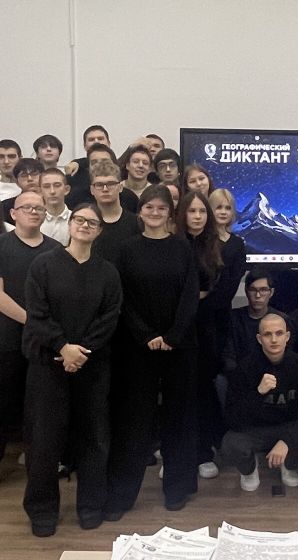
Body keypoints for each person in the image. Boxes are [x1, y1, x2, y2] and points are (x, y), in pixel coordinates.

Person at [21, 203, 121, 534]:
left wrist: (81, 352)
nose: (85, 225)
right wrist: (63, 347)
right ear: (70, 224)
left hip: (92, 367)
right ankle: (42, 511)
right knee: (44, 441)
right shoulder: (43, 264)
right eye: (80, 220)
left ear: (100, 231)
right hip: (48, 366)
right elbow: (37, 313)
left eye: (92, 223)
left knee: (94, 439)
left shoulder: (107, 272)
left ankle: (91, 506)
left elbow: (110, 317)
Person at [108, 185, 200, 515]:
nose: (155, 213)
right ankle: (122, 495)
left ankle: (178, 488)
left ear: (169, 213)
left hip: (180, 345)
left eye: (162, 208)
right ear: (141, 211)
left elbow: (190, 294)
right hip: (138, 347)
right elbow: (122, 297)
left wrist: (173, 335)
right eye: (150, 207)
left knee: (180, 418)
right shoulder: (127, 249)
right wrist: (146, 334)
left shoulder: (182, 247)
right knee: (135, 421)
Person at [0, 190, 61, 500]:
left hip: (41, 345)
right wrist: (33, 321)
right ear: (13, 213)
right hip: (1, 341)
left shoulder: (56, 250)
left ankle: (40, 467)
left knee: (39, 409)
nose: (33, 212)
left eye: (39, 208)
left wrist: (44, 330)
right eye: (27, 207)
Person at [223, 313, 298, 492]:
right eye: (268, 334)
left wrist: (287, 442)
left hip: (290, 426)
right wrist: (258, 393)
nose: (274, 340)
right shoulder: (245, 367)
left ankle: (288, 463)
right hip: (256, 430)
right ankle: (249, 469)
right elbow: (232, 418)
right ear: (259, 339)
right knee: (231, 445)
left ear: (287, 337)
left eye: (279, 333)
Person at [179, 190, 228, 478]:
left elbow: (217, 292)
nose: (197, 216)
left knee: (203, 390)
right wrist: (194, 295)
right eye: (192, 211)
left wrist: (195, 297)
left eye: (201, 211)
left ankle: (203, 451)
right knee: (179, 394)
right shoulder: (173, 244)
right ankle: (179, 453)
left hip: (206, 329)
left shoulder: (215, 246)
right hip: (177, 329)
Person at [222, 268, 285, 375]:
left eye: (263, 290)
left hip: (273, 375)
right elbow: (228, 356)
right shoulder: (233, 318)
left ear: (271, 292)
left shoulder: (281, 320)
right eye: (253, 289)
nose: (258, 295)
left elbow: (287, 357)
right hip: (240, 375)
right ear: (246, 291)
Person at [89, 160, 140, 260]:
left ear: (120, 187)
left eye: (111, 184)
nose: (105, 189)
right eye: (99, 185)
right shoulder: (85, 223)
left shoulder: (136, 223)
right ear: (92, 190)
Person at [64, 125, 112, 206]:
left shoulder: (119, 168)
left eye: (100, 138)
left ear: (109, 143)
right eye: (91, 139)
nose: (96, 141)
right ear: (85, 146)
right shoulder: (76, 172)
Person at [37, 167, 72, 245]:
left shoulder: (76, 219)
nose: (52, 191)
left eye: (57, 185)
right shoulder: (34, 220)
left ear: (66, 189)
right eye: (46, 186)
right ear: (40, 191)